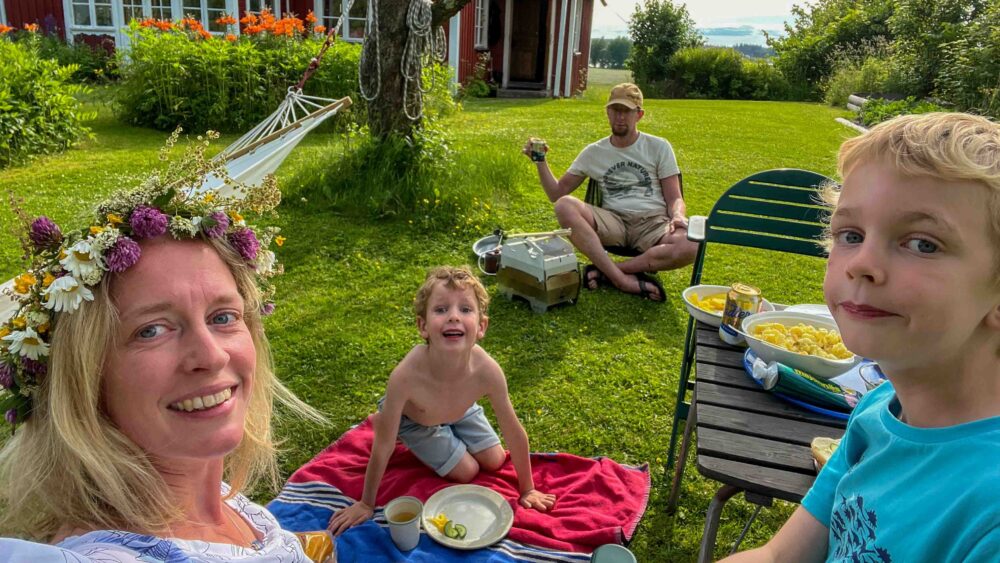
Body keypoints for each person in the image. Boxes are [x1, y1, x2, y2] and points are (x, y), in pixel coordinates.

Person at [0, 152, 325, 561]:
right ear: (85, 377)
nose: (210, 356)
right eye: (151, 330)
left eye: (223, 317)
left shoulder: (221, 504)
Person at [723, 113, 1000, 562]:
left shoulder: (989, 513)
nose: (861, 263)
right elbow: (779, 555)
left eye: (923, 243)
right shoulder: (879, 411)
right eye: (850, 235)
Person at [327, 266, 556, 535]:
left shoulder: (487, 370)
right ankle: (400, 421)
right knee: (467, 471)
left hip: (461, 409)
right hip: (416, 420)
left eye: (465, 309)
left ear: (481, 326)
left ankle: (451, 425)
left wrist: (527, 488)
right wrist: (366, 503)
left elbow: (513, 430)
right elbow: (384, 444)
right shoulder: (406, 376)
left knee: (495, 460)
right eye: (441, 309)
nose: (453, 317)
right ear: (423, 326)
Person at [523, 82, 697, 303]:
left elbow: (675, 197)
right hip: (614, 223)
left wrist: (678, 215)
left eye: (626, 111)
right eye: (615, 110)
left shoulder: (658, 147)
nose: (620, 117)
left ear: (639, 115)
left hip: (653, 224)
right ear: (607, 112)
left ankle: (608, 271)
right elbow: (557, 193)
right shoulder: (594, 152)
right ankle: (621, 280)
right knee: (564, 205)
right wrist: (540, 161)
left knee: (693, 244)